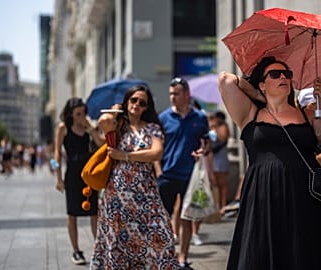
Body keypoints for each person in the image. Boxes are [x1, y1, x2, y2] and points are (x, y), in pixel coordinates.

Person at [218, 56, 321, 269]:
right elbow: (226, 79)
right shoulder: (250, 114)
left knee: (304, 253)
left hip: (305, 197)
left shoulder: (308, 114)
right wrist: (257, 95)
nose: (283, 77)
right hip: (263, 196)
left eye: (287, 75)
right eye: (275, 74)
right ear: (262, 83)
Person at [90, 85, 179, 269]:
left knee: (163, 237)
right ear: (127, 102)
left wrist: (125, 156)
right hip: (117, 196)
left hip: (146, 194)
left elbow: (156, 153)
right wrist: (115, 112)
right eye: (133, 100)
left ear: (147, 107)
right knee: (118, 245)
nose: (137, 104)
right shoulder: (118, 126)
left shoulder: (152, 128)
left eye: (142, 102)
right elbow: (102, 122)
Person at [158, 77, 210, 269]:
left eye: (176, 93)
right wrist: (158, 171)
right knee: (163, 220)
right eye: (171, 93)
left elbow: (207, 142)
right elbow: (157, 146)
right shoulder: (163, 118)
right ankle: (166, 258)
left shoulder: (200, 118)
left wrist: (204, 149)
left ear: (187, 95)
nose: (172, 97)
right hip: (167, 175)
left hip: (190, 175)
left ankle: (183, 259)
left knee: (187, 218)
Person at [54, 97, 104, 265]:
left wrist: (91, 130)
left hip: (89, 173)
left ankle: (99, 249)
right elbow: (55, 155)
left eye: (84, 113)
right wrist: (58, 177)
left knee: (94, 212)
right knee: (72, 213)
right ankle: (76, 250)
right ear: (71, 114)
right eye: (78, 114)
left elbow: (102, 145)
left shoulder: (89, 127)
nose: (82, 116)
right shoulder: (64, 128)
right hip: (72, 173)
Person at [209, 111, 231, 215]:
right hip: (212, 157)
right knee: (214, 183)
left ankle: (223, 205)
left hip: (220, 156)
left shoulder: (222, 127)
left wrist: (215, 128)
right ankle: (216, 206)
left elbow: (223, 138)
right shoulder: (211, 126)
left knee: (222, 182)